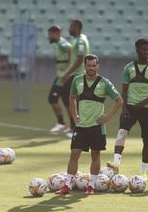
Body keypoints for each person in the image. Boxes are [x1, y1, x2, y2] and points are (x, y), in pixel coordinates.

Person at [55, 54, 123, 195]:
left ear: (98, 66)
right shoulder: (77, 80)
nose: (91, 68)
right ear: (85, 66)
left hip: (97, 126)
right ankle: (67, 185)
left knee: (95, 155)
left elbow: (119, 101)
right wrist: (74, 116)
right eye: (88, 65)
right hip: (81, 126)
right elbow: (72, 97)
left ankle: (91, 185)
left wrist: (108, 116)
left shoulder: (105, 83)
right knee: (74, 154)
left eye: (94, 65)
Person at [107, 38, 148, 181]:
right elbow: (124, 91)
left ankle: (143, 172)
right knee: (121, 134)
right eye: (144, 49)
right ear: (137, 50)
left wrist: (141, 104)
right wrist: (124, 109)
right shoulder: (128, 68)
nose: (147, 52)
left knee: (147, 140)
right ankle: (116, 165)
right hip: (130, 107)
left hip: (147, 109)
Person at [61, 19, 90, 137]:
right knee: (68, 99)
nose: (69, 29)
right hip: (76, 74)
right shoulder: (79, 39)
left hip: (78, 75)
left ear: (76, 27)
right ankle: (74, 126)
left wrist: (67, 73)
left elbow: (79, 60)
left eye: (71, 26)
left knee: (73, 101)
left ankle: (77, 128)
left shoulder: (81, 42)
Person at [47, 25, 74, 135]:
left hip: (64, 77)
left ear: (56, 34)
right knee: (67, 103)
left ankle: (61, 123)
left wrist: (68, 65)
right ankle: (72, 126)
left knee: (52, 98)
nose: (48, 37)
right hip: (63, 76)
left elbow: (72, 51)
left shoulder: (63, 44)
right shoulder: (59, 44)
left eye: (50, 34)